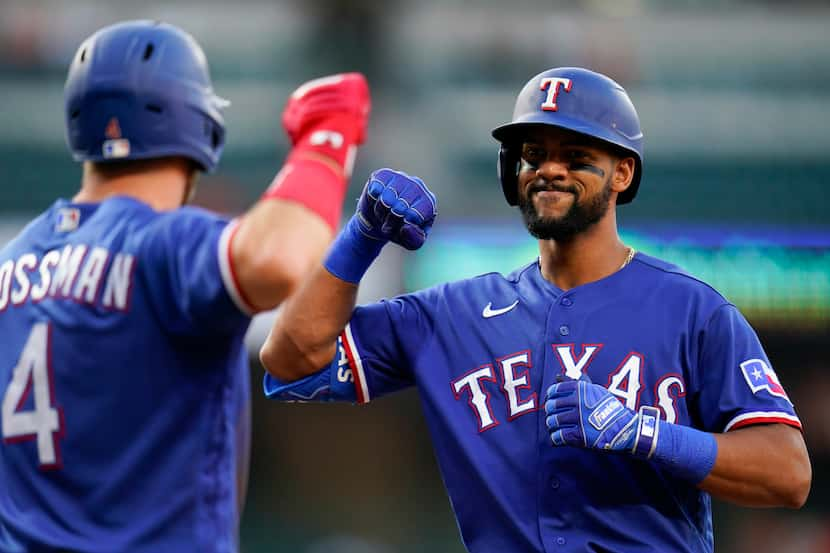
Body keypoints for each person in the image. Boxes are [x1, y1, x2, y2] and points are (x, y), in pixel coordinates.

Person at [258, 67, 812, 552]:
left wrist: (648, 433)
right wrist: (359, 240)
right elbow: (290, 358)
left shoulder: (693, 310)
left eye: (576, 156)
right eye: (533, 154)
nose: (549, 169)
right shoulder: (453, 313)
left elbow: (788, 472)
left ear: (622, 173)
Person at [0, 20, 370, 552]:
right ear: (200, 127)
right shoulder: (160, 243)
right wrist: (327, 138)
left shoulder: (14, 261)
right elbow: (278, 258)